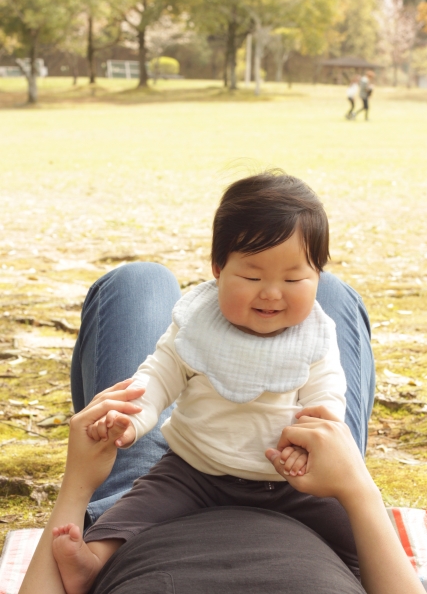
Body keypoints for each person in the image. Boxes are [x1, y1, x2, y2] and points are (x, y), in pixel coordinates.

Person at [53, 172, 366, 593]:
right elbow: (158, 376)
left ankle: (367, 572)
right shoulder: (199, 324)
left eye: (294, 279)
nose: (272, 293)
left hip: (290, 478)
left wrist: (307, 442)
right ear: (218, 269)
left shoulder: (315, 333)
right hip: (195, 469)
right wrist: (132, 420)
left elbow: (328, 397)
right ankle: (93, 562)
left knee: (356, 528)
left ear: (319, 276)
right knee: (132, 511)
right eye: (252, 278)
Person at [18, 386, 425, 594]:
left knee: (136, 282)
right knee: (313, 301)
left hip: (164, 495)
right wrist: (358, 488)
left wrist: (78, 483)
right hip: (299, 481)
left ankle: (94, 561)